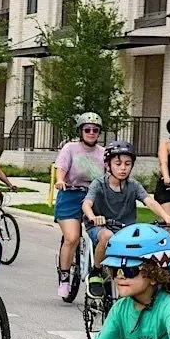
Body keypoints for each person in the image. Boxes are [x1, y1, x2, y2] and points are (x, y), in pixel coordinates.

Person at [82, 141, 170, 299]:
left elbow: (149, 201)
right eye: (118, 164)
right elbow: (87, 203)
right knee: (107, 236)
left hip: (125, 230)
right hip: (100, 227)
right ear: (108, 165)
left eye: (127, 164)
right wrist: (93, 217)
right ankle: (96, 272)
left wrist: (165, 216)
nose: (123, 168)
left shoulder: (133, 186)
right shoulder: (99, 184)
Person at [54, 112, 106, 300]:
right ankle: (64, 276)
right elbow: (61, 169)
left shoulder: (103, 153)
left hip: (95, 196)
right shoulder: (70, 148)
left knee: (104, 236)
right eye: (87, 129)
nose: (91, 133)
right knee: (72, 237)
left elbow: (111, 174)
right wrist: (60, 181)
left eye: (95, 130)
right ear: (80, 131)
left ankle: (99, 273)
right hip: (71, 194)